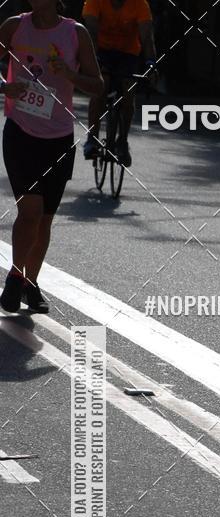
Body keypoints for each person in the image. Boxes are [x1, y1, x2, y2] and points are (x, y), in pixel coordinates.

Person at [0, 0, 103, 315]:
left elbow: (97, 86)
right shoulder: (14, 27)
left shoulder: (76, 33)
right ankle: (15, 279)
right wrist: (4, 86)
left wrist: (70, 74)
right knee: (29, 212)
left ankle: (31, 283)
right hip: (20, 131)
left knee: (44, 218)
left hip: (58, 138)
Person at [82, 0, 156, 167]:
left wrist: (151, 62)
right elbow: (91, 32)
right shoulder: (95, 2)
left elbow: (146, 36)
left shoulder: (140, 4)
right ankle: (92, 138)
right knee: (101, 86)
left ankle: (122, 141)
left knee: (128, 92)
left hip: (128, 53)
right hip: (101, 50)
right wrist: (93, 61)